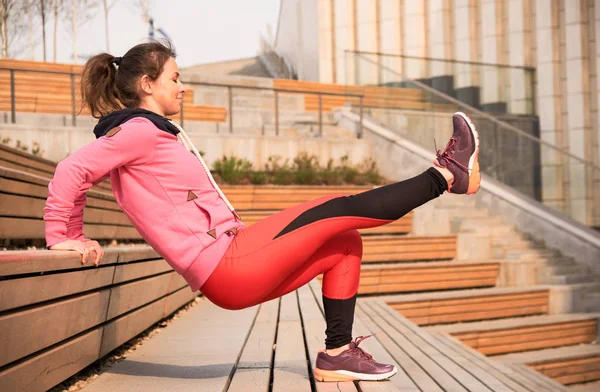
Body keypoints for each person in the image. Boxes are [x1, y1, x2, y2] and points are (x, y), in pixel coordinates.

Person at [44, 40, 480, 383]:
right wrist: (65, 234)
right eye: (175, 78)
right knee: (337, 210)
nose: (182, 86)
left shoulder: (153, 134)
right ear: (147, 85)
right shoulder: (137, 131)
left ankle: (337, 354)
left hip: (231, 260)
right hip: (226, 265)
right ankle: (446, 175)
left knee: (343, 243)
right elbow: (72, 170)